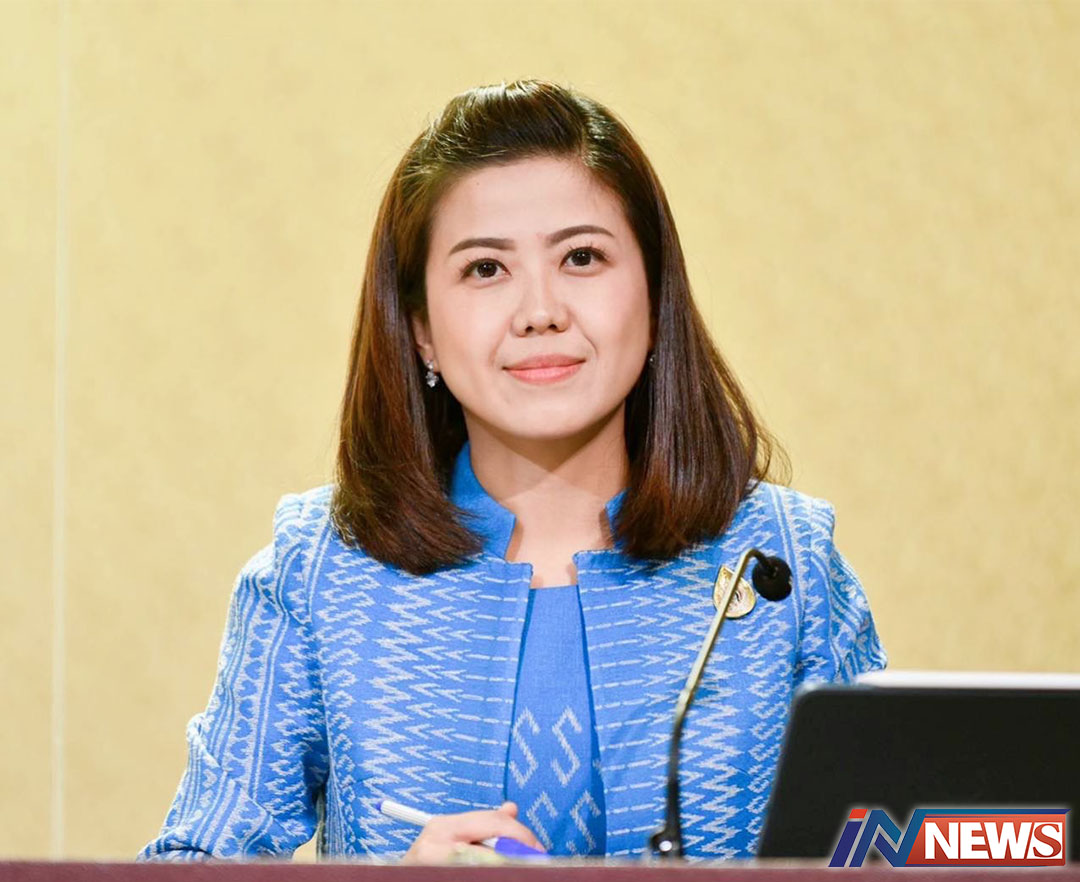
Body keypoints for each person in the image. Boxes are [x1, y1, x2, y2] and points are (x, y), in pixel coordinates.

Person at [140, 79, 885, 864]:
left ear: (656, 296)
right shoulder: (321, 569)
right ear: (421, 328)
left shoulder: (785, 560)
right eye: (486, 269)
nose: (540, 311)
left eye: (582, 257)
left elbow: (900, 850)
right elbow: (186, 868)